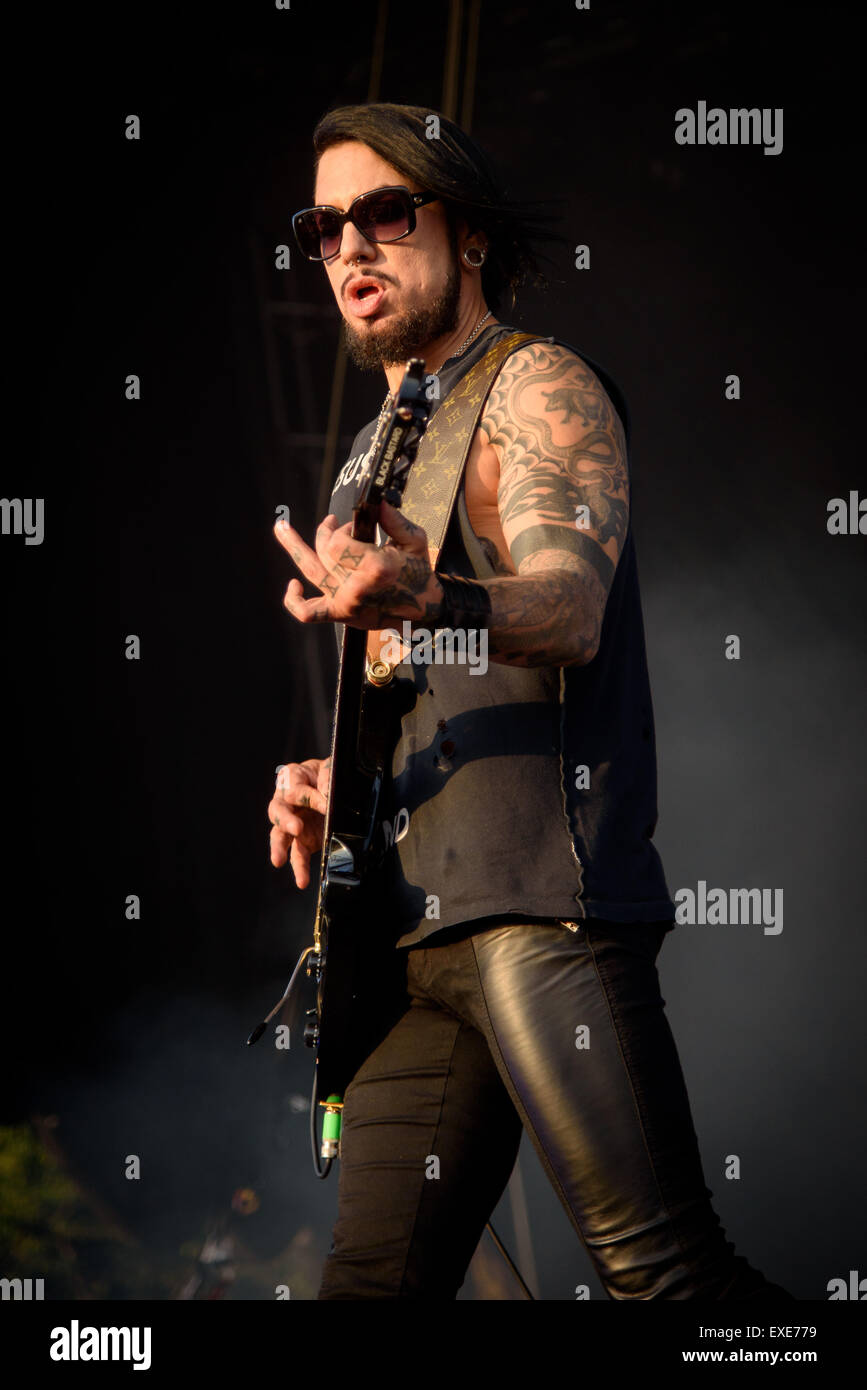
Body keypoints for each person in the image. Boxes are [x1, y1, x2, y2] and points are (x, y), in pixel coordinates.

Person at [266, 102, 793, 1301]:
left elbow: (567, 605)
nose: (351, 246)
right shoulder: (369, 450)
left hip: (535, 914)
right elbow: (426, 676)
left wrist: (436, 592)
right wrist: (335, 775)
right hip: (409, 944)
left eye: (386, 214)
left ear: (471, 235)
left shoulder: (532, 383)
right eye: (324, 225)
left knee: (664, 1275)